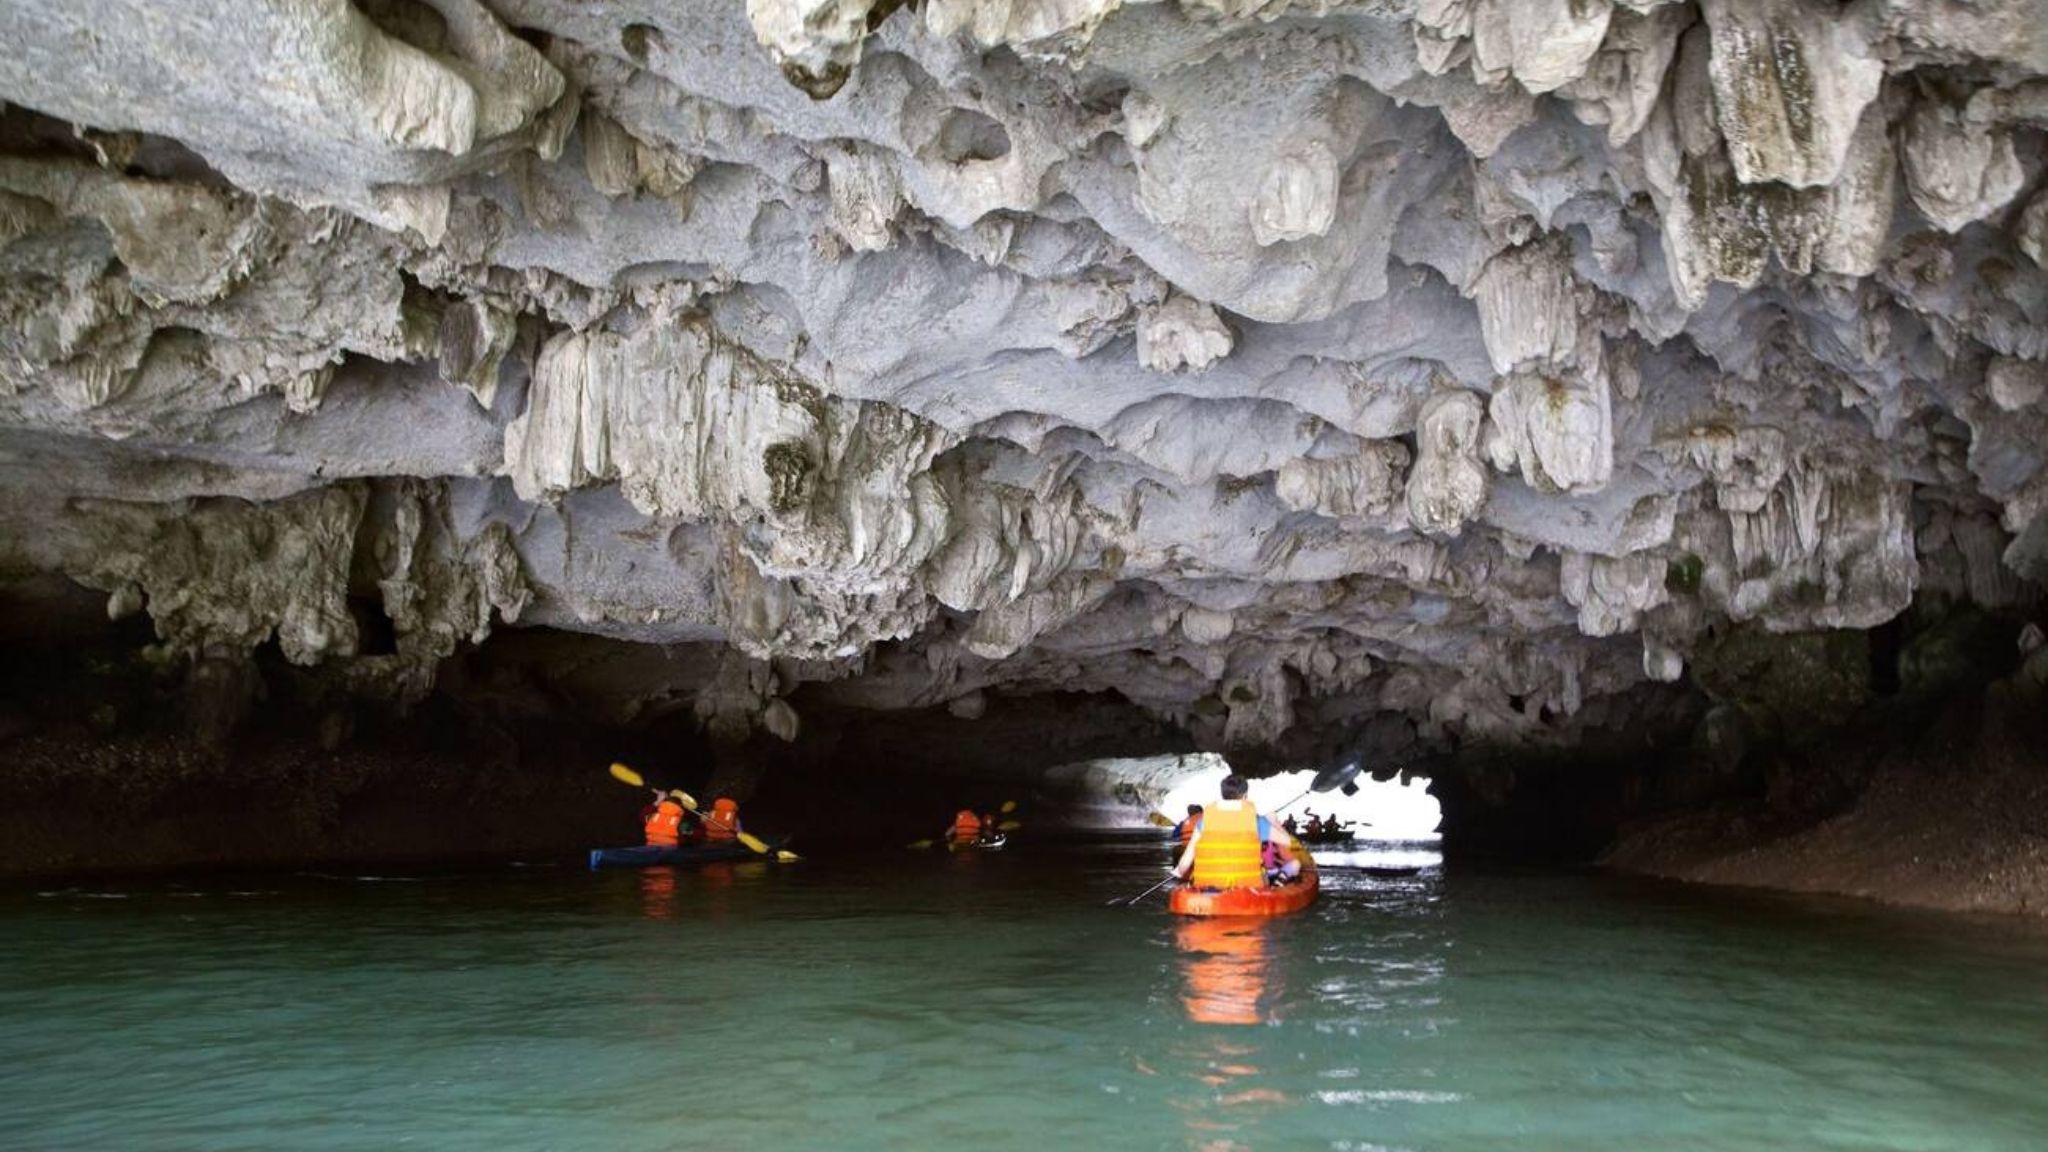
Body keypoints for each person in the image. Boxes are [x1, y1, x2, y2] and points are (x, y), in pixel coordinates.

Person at [1172, 774, 1299, 888]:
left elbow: (1185, 863)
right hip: (1247, 887)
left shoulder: (1205, 821)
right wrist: (1274, 821)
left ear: (1223, 795)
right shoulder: (1256, 821)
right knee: (1294, 865)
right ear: (1245, 796)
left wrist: (1178, 872)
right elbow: (1287, 842)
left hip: (1208, 886)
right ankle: (1276, 886)